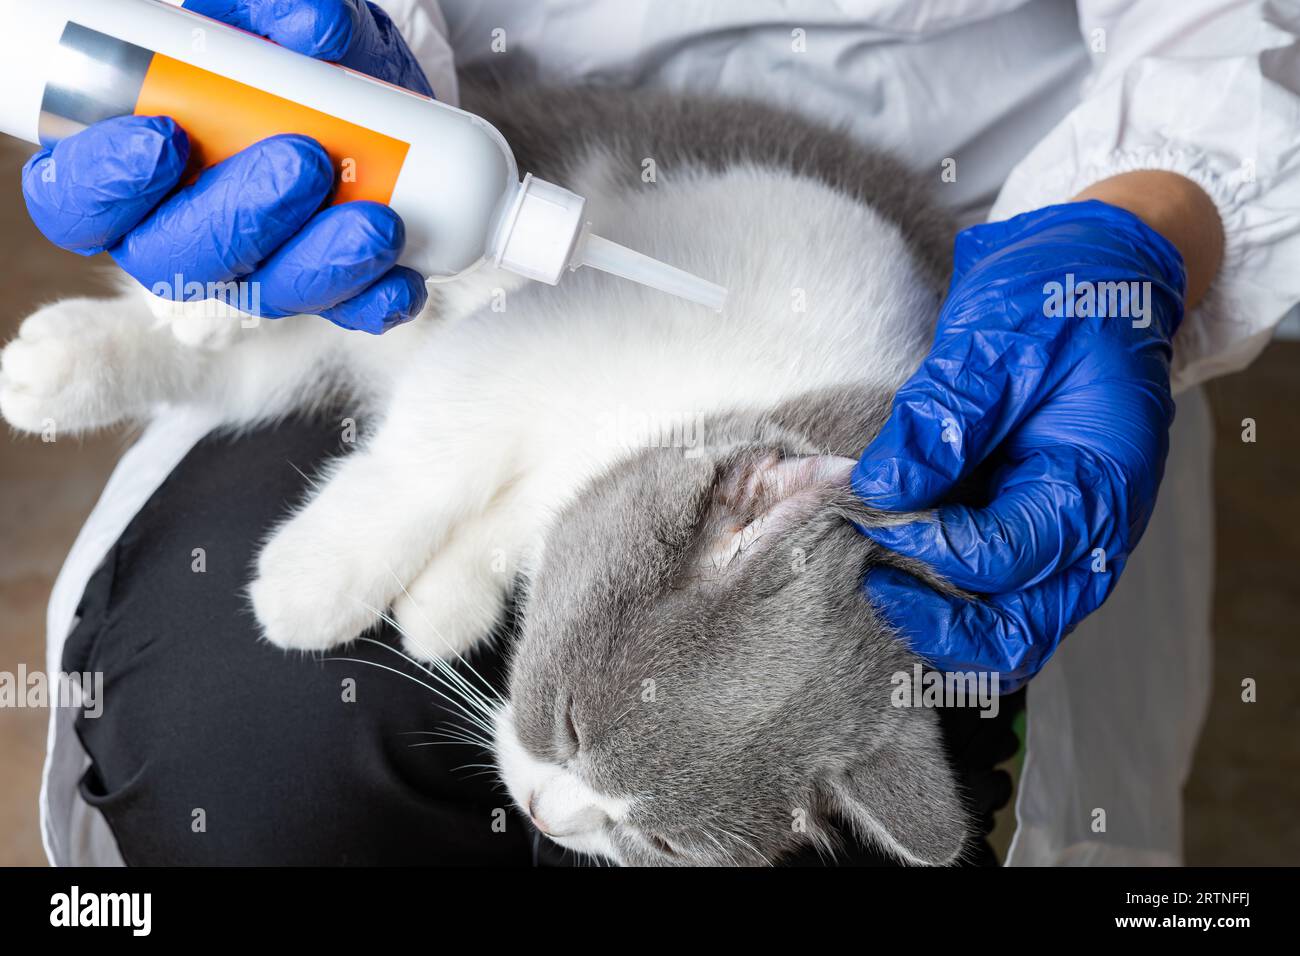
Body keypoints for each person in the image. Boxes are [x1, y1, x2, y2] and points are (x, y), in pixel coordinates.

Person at [23, 0, 1300, 866]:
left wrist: (1147, 230)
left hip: (1000, 210)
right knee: (250, 731)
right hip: (475, 136)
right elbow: (498, 375)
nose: (553, 799)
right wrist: (270, 49)